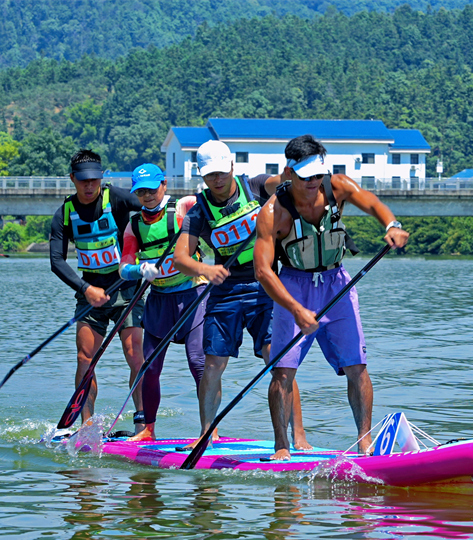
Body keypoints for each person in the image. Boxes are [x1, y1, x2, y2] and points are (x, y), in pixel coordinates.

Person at [253, 134, 409, 460]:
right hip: (293, 287)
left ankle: (364, 442)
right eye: (305, 176)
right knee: (283, 371)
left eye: (317, 174)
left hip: (337, 284)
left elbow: (372, 202)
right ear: (289, 173)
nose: (313, 182)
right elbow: (263, 272)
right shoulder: (273, 212)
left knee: (357, 366)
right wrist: (296, 310)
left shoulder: (337, 186)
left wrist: (392, 224)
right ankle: (281, 446)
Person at [173, 140, 310, 449]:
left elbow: (287, 180)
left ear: (232, 167)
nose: (217, 180)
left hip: (266, 287)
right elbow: (180, 259)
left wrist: (297, 166)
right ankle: (206, 434)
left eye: (222, 172)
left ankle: (299, 436)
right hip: (225, 292)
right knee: (213, 364)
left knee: (279, 361)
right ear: (202, 175)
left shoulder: (257, 187)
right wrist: (205, 270)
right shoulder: (199, 211)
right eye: (210, 175)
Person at [49, 149, 147, 433]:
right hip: (90, 294)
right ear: (72, 179)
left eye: (94, 180)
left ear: (101, 178)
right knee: (85, 358)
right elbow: (56, 261)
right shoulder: (64, 214)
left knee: (135, 354)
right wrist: (86, 288)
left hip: (126, 290)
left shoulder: (116, 198)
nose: (89, 186)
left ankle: (143, 423)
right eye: (83, 181)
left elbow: (151, 207)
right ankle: (87, 425)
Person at [118, 163, 208, 442]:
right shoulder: (134, 226)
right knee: (149, 367)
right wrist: (139, 269)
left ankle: (210, 430)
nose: (147, 196)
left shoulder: (181, 209)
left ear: (164, 185)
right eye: (140, 192)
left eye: (152, 189)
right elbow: (123, 268)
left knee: (198, 362)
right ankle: (148, 429)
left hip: (192, 295)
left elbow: (210, 203)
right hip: (158, 300)